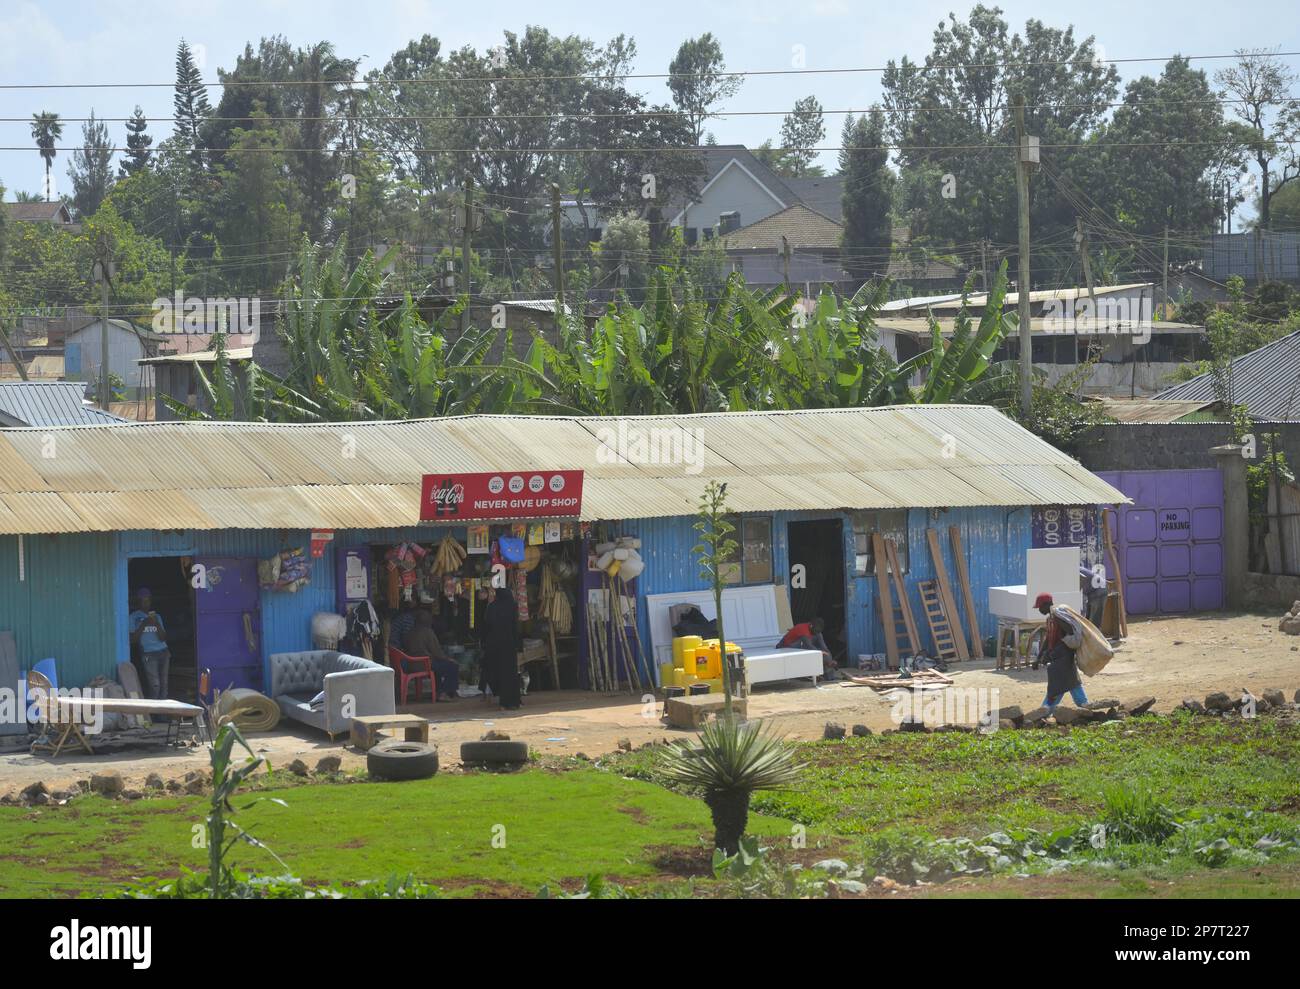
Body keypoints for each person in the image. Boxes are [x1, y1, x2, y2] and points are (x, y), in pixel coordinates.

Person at [1034, 593, 1088, 710]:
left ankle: (1046, 708)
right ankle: (1084, 703)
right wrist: (1039, 657)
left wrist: (1054, 651)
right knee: (1072, 682)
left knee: (1057, 685)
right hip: (1058, 656)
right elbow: (1048, 639)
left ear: (1047, 604)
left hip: (1064, 655)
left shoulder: (1058, 617)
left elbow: (1070, 632)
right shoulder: (1050, 619)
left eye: (1040, 607)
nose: (1039, 610)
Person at [404, 610, 460, 702]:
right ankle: (444, 693)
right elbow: (437, 652)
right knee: (452, 666)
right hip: (424, 664)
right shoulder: (428, 632)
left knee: (438, 667)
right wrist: (449, 659)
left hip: (411, 664)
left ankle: (438, 691)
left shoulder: (410, 632)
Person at [481, 587, 522, 711]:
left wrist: (484, 643)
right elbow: (515, 627)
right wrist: (518, 645)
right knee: (511, 674)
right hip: (509, 645)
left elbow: (486, 626)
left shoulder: (492, 607)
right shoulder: (513, 606)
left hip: (494, 645)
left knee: (497, 673)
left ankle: (503, 703)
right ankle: (514, 702)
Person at [129, 588, 171, 699]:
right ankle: (153, 713)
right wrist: (144, 624)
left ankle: (162, 716)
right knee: (155, 685)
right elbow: (133, 639)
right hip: (149, 654)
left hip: (163, 652)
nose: (146, 604)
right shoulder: (134, 617)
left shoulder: (157, 617)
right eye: (143, 601)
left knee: (164, 685)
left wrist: (156, 624)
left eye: (148, 601)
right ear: (138, 602)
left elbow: (163, 638)